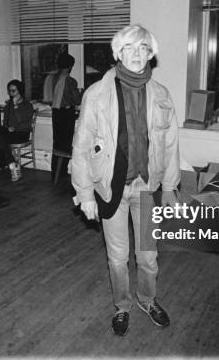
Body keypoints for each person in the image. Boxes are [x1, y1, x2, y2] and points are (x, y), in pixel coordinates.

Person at [71, 24, 180, 336]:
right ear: (117, 52)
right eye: (129, 47)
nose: (137, 54)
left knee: (148, 256)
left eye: (143, 48)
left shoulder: (161, 95)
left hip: (148, 188)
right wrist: (86, 194)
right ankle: (122, 306)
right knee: (117, 259)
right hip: (110, 189)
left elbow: (171, 144)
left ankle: (147, 299)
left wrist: (170, 187)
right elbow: (80, 147)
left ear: (150, 54)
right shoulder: (96, 95)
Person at [43, 53, 80, 180]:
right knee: (66, 144)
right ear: (70, 66)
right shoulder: (70, 81)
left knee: (57, 143)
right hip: (66, 114)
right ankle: (62, 173)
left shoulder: (50, 78)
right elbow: (76, 100)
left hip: (55, 113)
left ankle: (55, 173)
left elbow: (48, 99)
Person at [0, 79, 34, 181]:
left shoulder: (27, 105)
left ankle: (3, 166)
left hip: (22, 133)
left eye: (13, 91)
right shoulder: (8, 105)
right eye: (9, 91)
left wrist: (16, 107)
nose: (11, 94)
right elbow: (5, 121)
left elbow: (25, 123)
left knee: (0, 139)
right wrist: (6, 127)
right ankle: (11, 164)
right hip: (9, 133)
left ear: (19, 91)